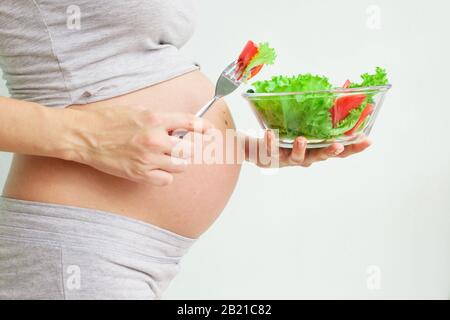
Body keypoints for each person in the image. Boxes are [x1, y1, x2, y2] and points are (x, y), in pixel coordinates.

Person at [0, 0, 371, 299]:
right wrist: (88, 135)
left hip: (138, 253)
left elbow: (119, 73)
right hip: (76, 246)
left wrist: (240, 147)